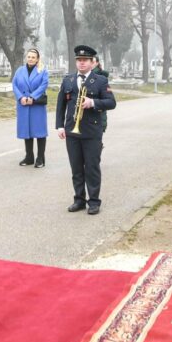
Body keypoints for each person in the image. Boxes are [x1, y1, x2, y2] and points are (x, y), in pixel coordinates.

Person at [55, 45, 117, 215]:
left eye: (85, 60)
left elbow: (111, 103)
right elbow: (60, 105)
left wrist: (93, 102)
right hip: (72, 130)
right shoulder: (68, 80)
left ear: (92, 62)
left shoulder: (100, 81)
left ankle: (94, 201)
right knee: (76, 168)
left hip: (92, 131)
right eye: (79, 60)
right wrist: (60, 126)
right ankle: (79, 200)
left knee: (92, 167)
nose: (81, 63)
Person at [12, 48, 49, 168]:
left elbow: (44, 85)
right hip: (23, 104)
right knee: (27, 130)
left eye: (33, 57)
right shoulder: (20, 70)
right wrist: (20, 97)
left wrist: (32, 97)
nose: (31, 59)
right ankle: (29, 157)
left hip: (36, 105)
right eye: (29, 57)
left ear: (37, 59)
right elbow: (14, 84)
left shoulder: (42, 70)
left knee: (40, 131)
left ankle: (40, 158)